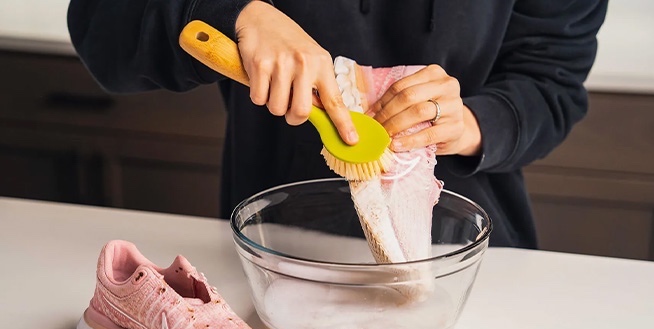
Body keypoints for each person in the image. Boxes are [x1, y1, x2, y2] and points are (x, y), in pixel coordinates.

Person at [67, 0, 608, 248]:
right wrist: (234, 12)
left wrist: (471, 122)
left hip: (469, 253)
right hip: (272, 248)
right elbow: (103, 26)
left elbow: (550, 78)